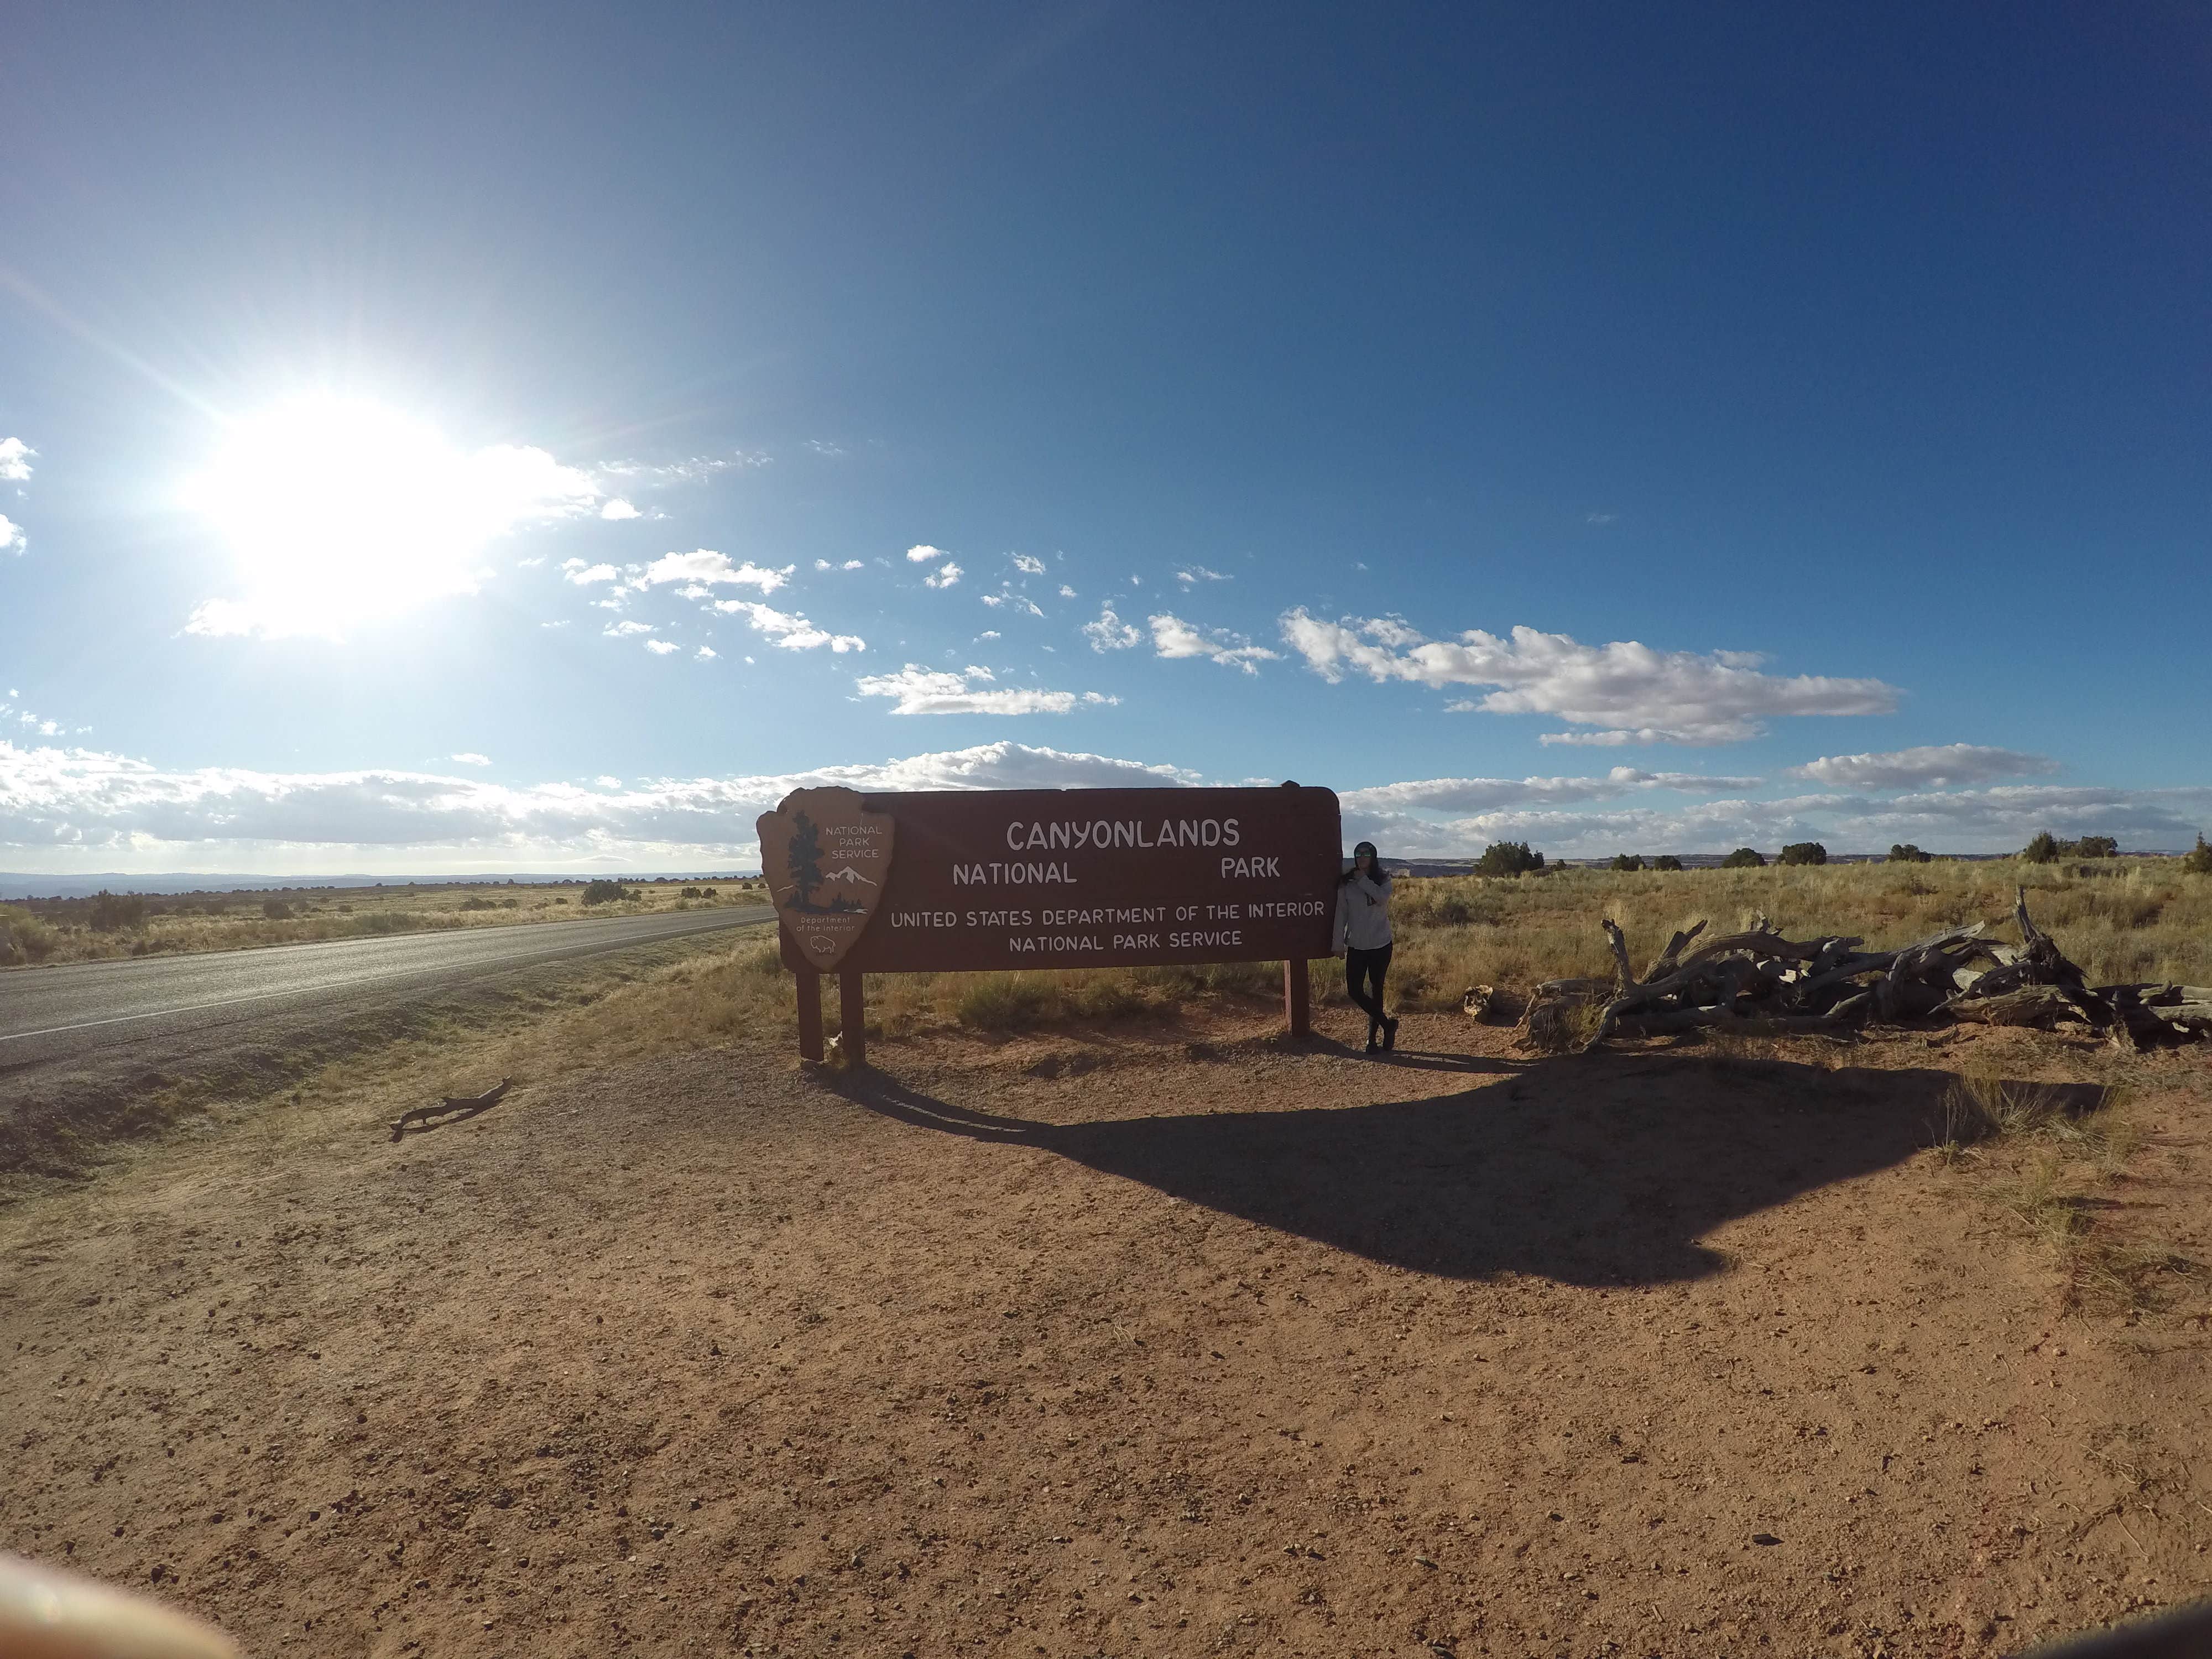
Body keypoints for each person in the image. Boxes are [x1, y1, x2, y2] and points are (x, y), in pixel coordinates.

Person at [1332, 839, 1398, 1053]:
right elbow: (1340, 913)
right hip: (1357, 945)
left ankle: (1372, 1040)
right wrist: (1338, 943)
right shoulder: (1347, 884)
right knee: (1354, 990)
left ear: (1373, 857)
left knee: (1376, 989)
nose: (1362, 858)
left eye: (1366, 854)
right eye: (1358, 854)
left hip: (1381, 944)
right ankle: (1388, 1025)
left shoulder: (1383, 879)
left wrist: (1363, 880)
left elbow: (1381, 898)